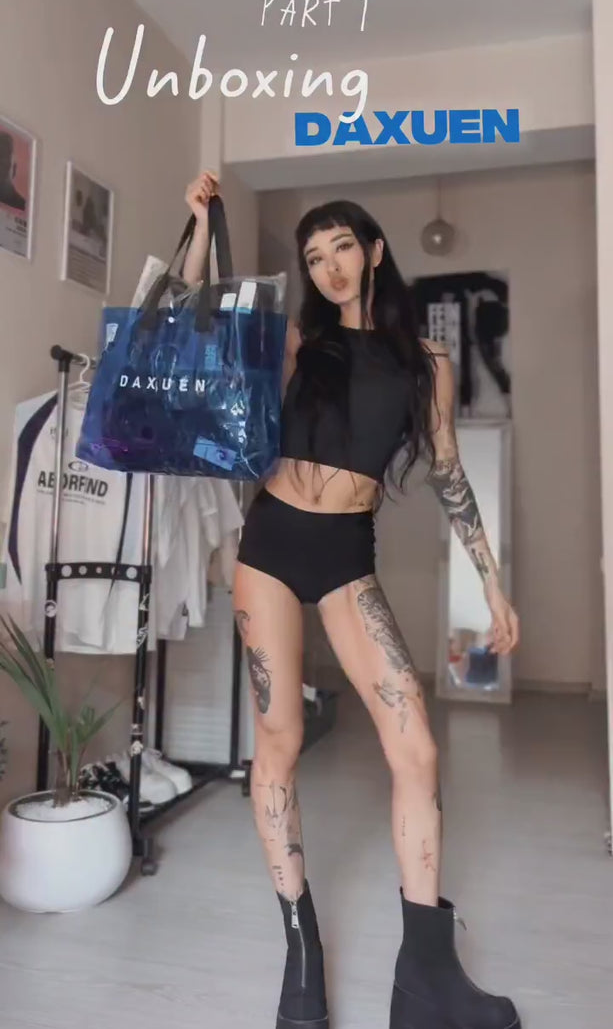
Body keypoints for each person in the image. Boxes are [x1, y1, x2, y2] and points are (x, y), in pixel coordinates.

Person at [183, 171, 521, 1029]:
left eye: (341, 247)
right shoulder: (298, 342)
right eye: (313, 256)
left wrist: (490, 579)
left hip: (346, 556)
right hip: (271, 546)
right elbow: (196, 326)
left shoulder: (426, 363)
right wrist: (198, 230)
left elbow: (447, 474)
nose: (329, 265)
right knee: (280, 740)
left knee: (415, 747)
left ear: (372, 252)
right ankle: (302, 953)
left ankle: (426, 977)